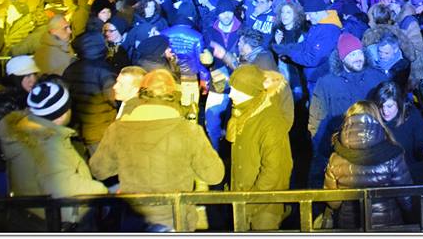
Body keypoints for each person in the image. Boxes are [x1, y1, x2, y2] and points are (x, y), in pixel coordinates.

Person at [89, 69, 224, 231]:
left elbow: (99, 170)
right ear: (174, 95)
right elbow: (215, 175)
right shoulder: (188, 131)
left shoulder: (119, 129)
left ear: (142, 95)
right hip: (177, 220)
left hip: (134, 221)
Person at [0, 80, 108, 229]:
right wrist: (102, 191)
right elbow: (61, 187)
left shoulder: (26, 128)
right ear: (62, 113)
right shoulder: (48, 141)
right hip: (60, 220)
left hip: (32, 215)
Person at [324, 101, 423, 229]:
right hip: (388, 225)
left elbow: (333, 202)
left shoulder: (336, 157)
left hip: (350, 226)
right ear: (376, 119)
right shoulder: (392, 153)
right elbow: (407, 197)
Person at [307, 33, 386, 188]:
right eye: (351, 54)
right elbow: (316, 119)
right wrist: (321, 150)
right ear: (341, 58)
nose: (358, 58)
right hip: (341, 152)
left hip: (374, 149)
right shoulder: (326, 83)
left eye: (359, 53)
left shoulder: (377, 78)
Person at [227, 65, 293, 230]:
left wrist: (252, 201)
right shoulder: (243, 114)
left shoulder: (270, 122)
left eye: (235, 90)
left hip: (264, 209)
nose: (230, 94)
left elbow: (274, 170)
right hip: (242, 200)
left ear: (249, 92)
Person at [0, 55, 41, 196]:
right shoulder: (1, 101)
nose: (32, 80)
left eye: (34, 75)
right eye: (26, 76)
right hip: (4, 162)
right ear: (15, 78)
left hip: (16, 159)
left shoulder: (20, 96)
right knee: (6, 202)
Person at [62, 30, 118, 155]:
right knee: (105, 169)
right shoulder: (105, 70)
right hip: (102, 130)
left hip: (80, 129)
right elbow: (114, 98)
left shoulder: (70, 69)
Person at [372, 81, 423, 182]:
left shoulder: (412, 116)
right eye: (381, 106)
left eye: (390, 106)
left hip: (409, 174)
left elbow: (421, 144)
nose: (385, 111)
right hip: (381, 177)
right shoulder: (371, 118)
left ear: (399, 104)